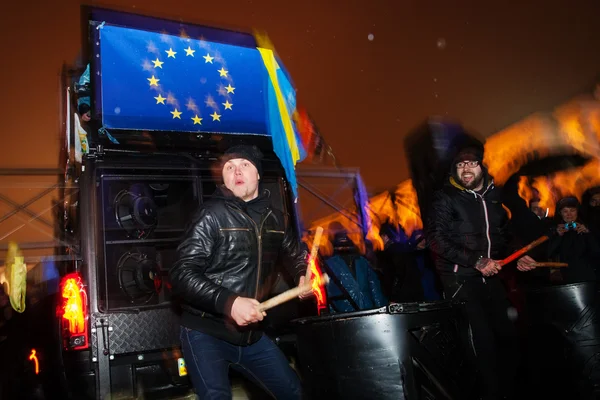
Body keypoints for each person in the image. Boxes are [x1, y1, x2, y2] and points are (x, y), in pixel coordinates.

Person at [169, 144, 311, 399]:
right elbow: (181, 273)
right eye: (229, 167)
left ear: (258, 174)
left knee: (293, 392)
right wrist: (229, 302)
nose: (236, 171)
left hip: (251, 336)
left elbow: (295, 255)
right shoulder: (210, 215)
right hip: (205, 332)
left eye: (244, 165)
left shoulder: (277, 219)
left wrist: (302, 273)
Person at [426, 145, 537, 400]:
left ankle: (508, 391)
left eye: (471, 163)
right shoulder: (446, 197)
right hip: (460, 279)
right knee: (481, 343)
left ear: (482, 168)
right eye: (460, 165)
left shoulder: (493, 199)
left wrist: (520, 256)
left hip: (490, 278)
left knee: (508, 336)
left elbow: (504, 237)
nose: (465, 168)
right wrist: (476, 261)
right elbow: (436, 239)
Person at [547, 196, 600, 284]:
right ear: (560, 213)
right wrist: (558, 236)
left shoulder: (588, 227)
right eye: (565, 211)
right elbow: (550, 253)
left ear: (577, 211)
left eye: (572, 210)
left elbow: (596, 251)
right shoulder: (555, 229)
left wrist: (588, 233)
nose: (569, 214)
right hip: (568, 278)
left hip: (590, 276)